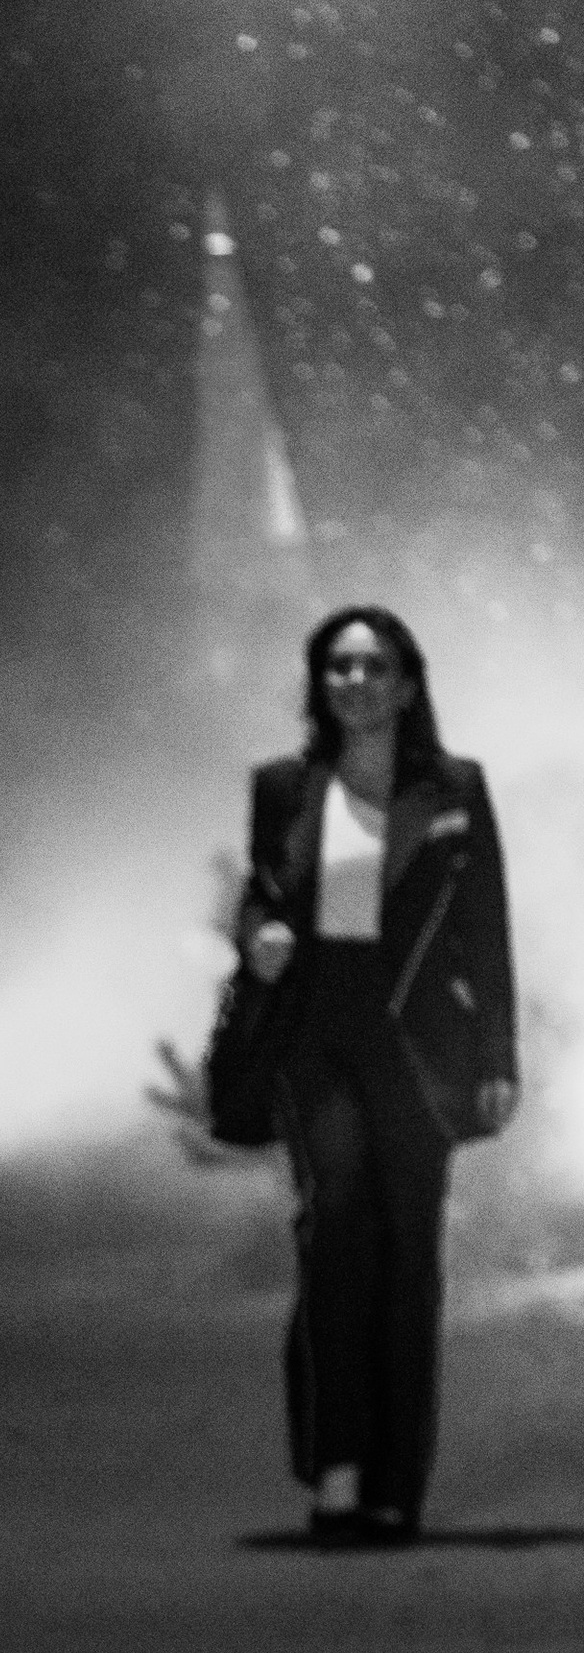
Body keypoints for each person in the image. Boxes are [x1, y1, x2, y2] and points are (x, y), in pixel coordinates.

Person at [238, 606, 517, 1541]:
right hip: (316, 1033)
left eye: (374, 667)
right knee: (337, 1229)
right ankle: (338, 1470)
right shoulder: (283, 787)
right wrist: (259, 937)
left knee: (408, 1254)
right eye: (339, 667)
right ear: (320, 685)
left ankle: (397, 1483)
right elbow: (259, 894)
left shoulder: (454, 788)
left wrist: (498, 1056)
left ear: (406, 684)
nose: (355, 683)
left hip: (420, 1043)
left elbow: (486, 927)